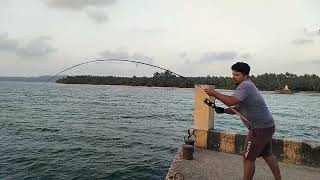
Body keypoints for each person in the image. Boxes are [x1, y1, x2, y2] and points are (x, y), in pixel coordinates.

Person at [204, 62, 281, 180]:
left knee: (248, 159)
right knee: (267, 154)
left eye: (237, 74)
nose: (233, 76)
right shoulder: (247, 85)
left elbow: (231, 101)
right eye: (233, 74)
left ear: (245, 76)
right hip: (268, 126)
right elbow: (239, 108)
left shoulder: (245, 85)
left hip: (259, 129)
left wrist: (213, 93)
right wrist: (224, 111)